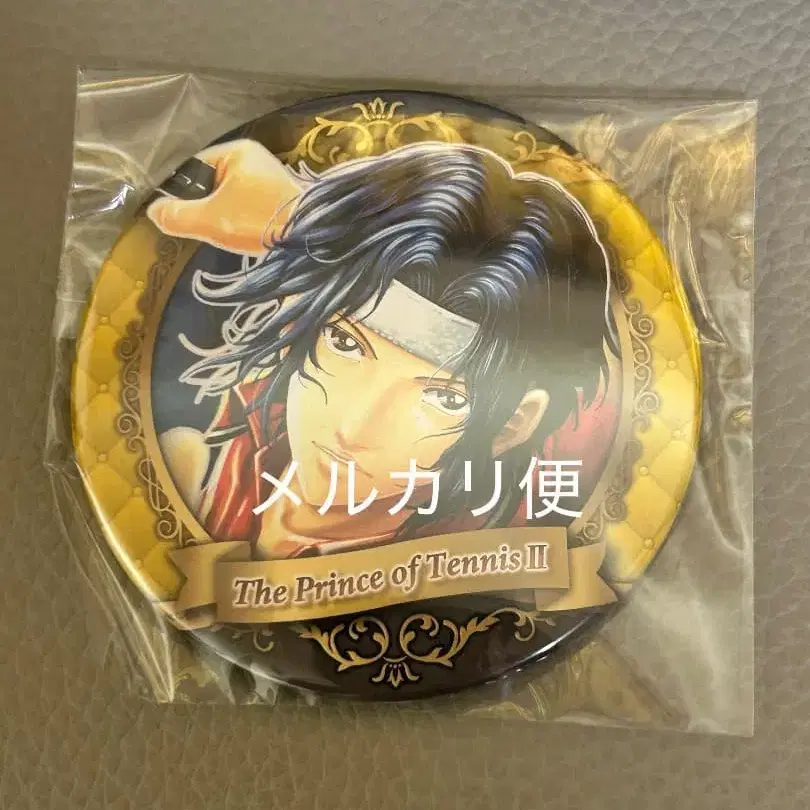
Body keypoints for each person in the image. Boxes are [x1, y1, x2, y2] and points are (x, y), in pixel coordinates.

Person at [148, 139, 620, 559]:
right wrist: (308, 227)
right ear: (296, 315)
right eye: (344, 343)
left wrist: (301, 221)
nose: (353, 428)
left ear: (513, 424)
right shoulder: (218, 451)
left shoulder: (475, 557)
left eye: (443, 397)